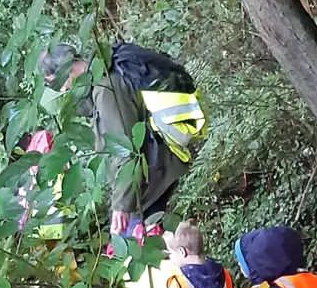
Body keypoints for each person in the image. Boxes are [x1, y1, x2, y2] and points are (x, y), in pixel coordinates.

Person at [37, 42, 202, 239]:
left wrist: (121, 207)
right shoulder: (102, 75)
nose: (62, 89)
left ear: (67, 69)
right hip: (153, 174)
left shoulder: (106, 90)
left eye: (57, 83)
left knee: (141, 250)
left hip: (151, 182)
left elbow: (127, 151)